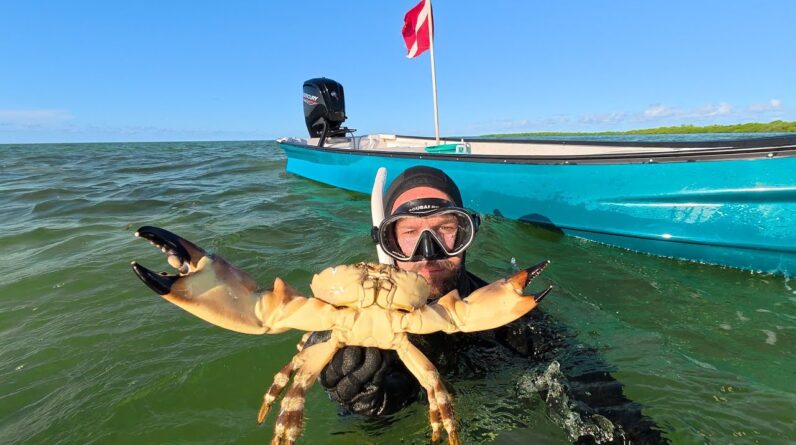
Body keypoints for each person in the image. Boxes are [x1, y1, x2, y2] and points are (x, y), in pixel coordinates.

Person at [306, 166, 668, 444]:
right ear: (387, 244)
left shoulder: (508, 315)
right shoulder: (355, 324)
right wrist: (362, 404)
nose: (428, 254)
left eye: (446, 228)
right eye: (410, 233)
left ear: (467, 236)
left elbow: (590, 386)